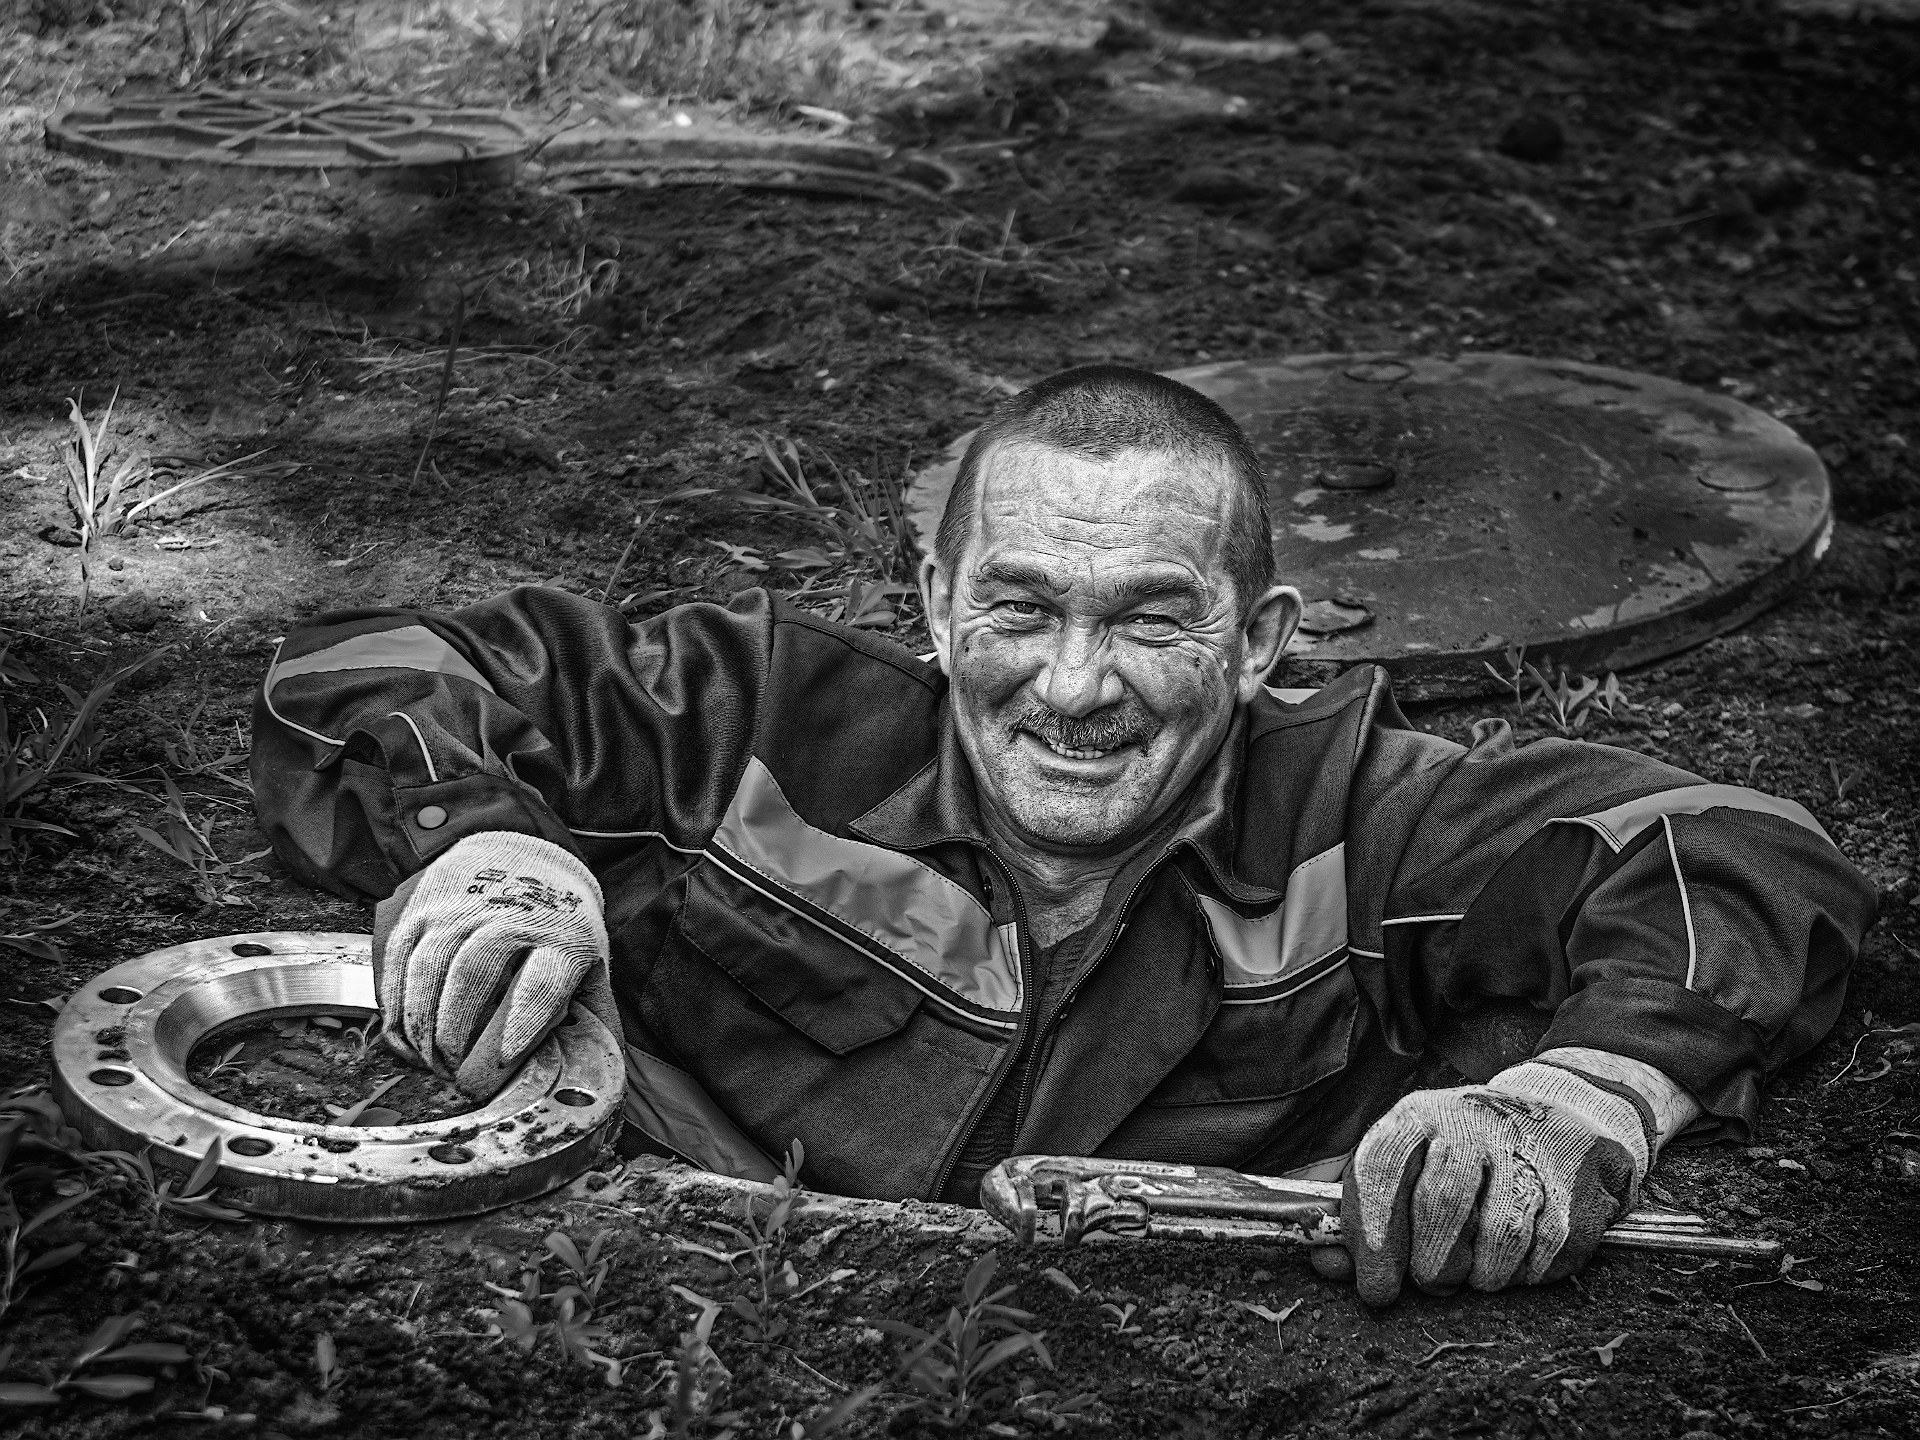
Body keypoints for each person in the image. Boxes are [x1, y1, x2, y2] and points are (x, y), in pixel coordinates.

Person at [251, 365, 1874, 1305]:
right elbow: (363, 662)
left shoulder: (1363, 825)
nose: (1076, 687)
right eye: (1020, 608)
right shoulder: (753, 714)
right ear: (938, 602)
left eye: (1153, 620)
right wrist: (485, 844)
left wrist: (1583, 1096)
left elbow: (1743, 851)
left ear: (1259, 642)